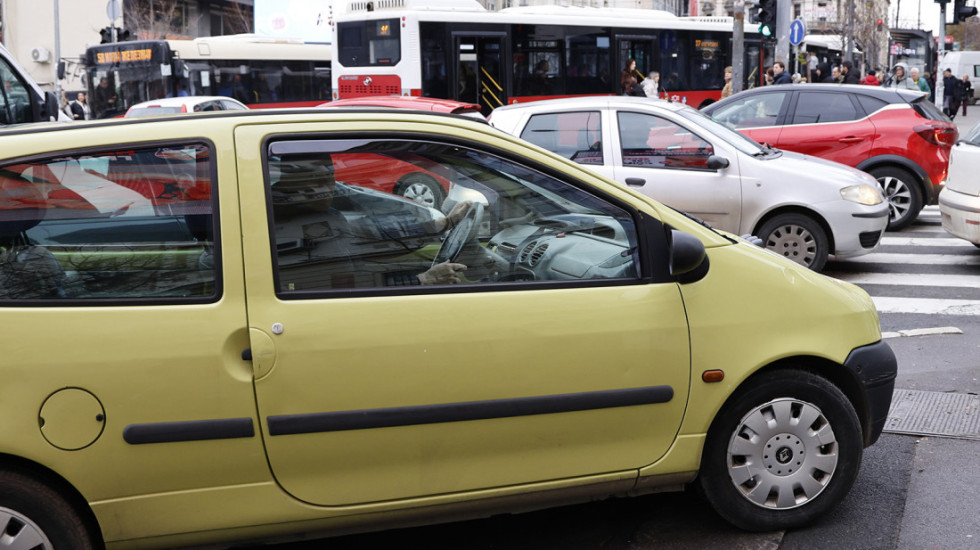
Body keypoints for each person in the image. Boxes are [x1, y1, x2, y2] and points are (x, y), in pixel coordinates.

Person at [270, 154, 475, 289]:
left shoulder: (321, 214)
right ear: (292, 184)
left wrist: (444, 224)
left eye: (330, 177)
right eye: (317, 180)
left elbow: (371, 234)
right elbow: (349, 287)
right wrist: (423, 280)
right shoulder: (287, 227)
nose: (329, 186)